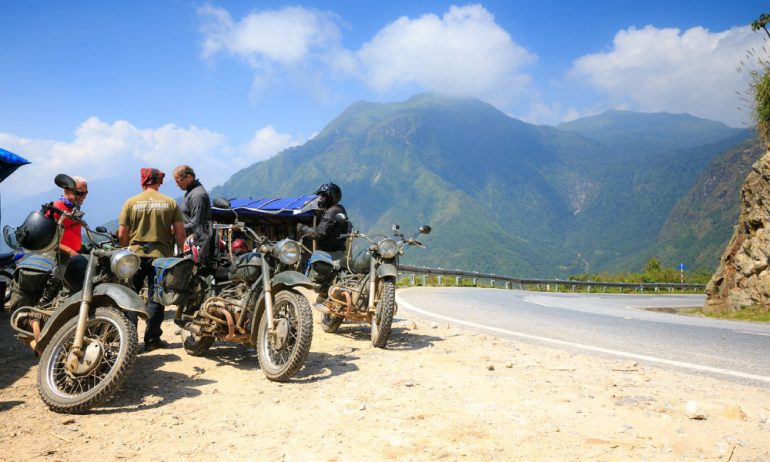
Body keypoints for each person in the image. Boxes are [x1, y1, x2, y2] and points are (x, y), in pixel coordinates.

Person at [118, 168, 185, 352]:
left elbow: (122, 233)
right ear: (159, 182)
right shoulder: (170, 203)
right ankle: (152, 339)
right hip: (161, 257)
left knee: (129, 296)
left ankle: (128, 340)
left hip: (135, 256)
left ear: (142, 182)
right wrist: (182, 255)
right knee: (156, 298)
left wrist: (125, 249)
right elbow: (180, 233)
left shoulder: (131, 202)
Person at [173, 165, 212, 263]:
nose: (177, 185)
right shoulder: (190, 193)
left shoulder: (197, 195)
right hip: (188, 242)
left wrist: (176, 229)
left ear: (189, 177)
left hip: (196, 244)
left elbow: (196, 222)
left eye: (178, 181)